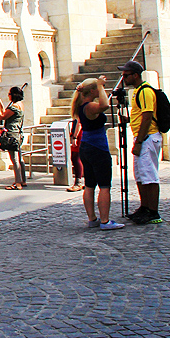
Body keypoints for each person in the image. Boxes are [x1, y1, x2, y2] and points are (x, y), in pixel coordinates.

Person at [71, 77, 124, 229]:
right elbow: (105, 105)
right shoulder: (90, 106)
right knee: (104, 185)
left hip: (86, 146)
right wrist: (101, 86)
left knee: (89, 185)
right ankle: (105, 220)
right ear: (92, 91)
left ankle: (92, 219)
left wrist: (98, 86)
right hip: (98, 147)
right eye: (97, 89)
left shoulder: (80, 105)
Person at [119, 61, 163, 224]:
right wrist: (129, 120)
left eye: (126, 75)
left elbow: (147, 116)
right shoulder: (137, 91)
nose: (123, 78)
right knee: (141, 174)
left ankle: (153, 212)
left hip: (147, 137)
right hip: (143, 136)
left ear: (135, 75)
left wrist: (139, 142)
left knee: (149, 175)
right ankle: (144, 207)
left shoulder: (145, 91)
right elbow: (140, 115)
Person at [0, 87, 27, 190]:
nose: (8, 95)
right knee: (20, 158)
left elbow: (2, 116)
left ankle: (17, 183)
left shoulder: (14, 107)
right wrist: (1, 104)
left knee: (14, 159)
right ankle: (23, 180)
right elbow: (6, 112)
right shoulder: (20, 105)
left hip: (11, 134)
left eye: (9, 94)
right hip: (18, 133)